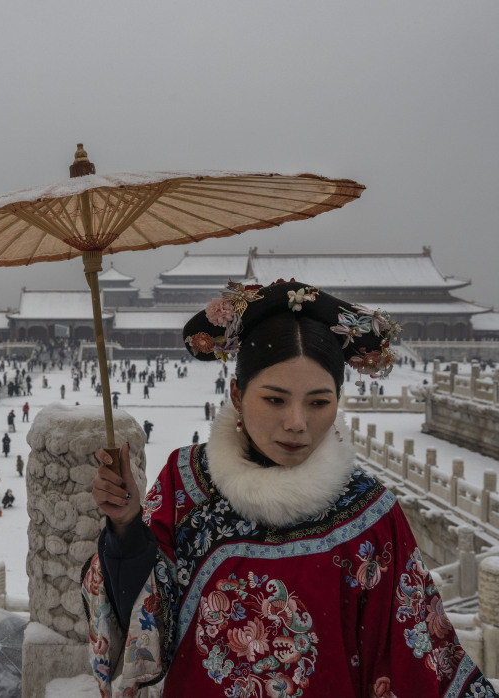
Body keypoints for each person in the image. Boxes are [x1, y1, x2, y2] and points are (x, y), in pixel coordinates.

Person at [84, 280, 494, 697]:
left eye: (318, 402)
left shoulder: (369, 514)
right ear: (237, 395)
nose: (297, 423)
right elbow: (145, 620)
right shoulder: (186, 482)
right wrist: (126, 527)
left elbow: (418, 656)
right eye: (275, 400)